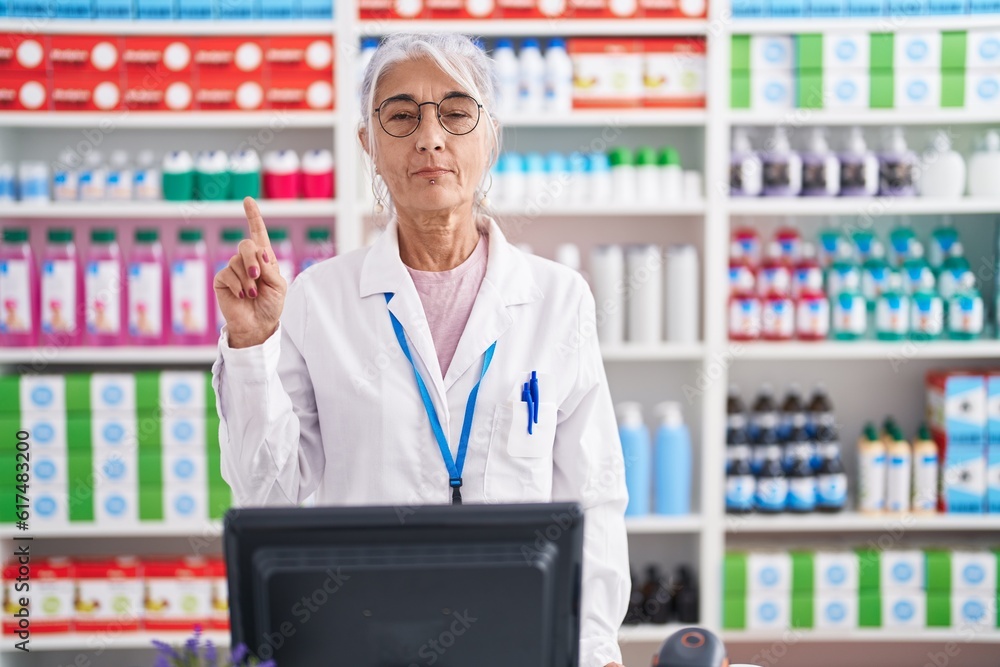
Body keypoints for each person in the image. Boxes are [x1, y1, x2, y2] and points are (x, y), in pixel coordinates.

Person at [212, 32, 630, 667]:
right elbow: (268, 497)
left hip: (517, 640)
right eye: (401, 115)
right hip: (362, 636)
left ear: (489, 136)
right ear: (369, 145)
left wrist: (595, 654)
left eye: (456, 112)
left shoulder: (558, 300)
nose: (430, 137)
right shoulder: (316, 299)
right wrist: (251, 346)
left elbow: (595, 500)